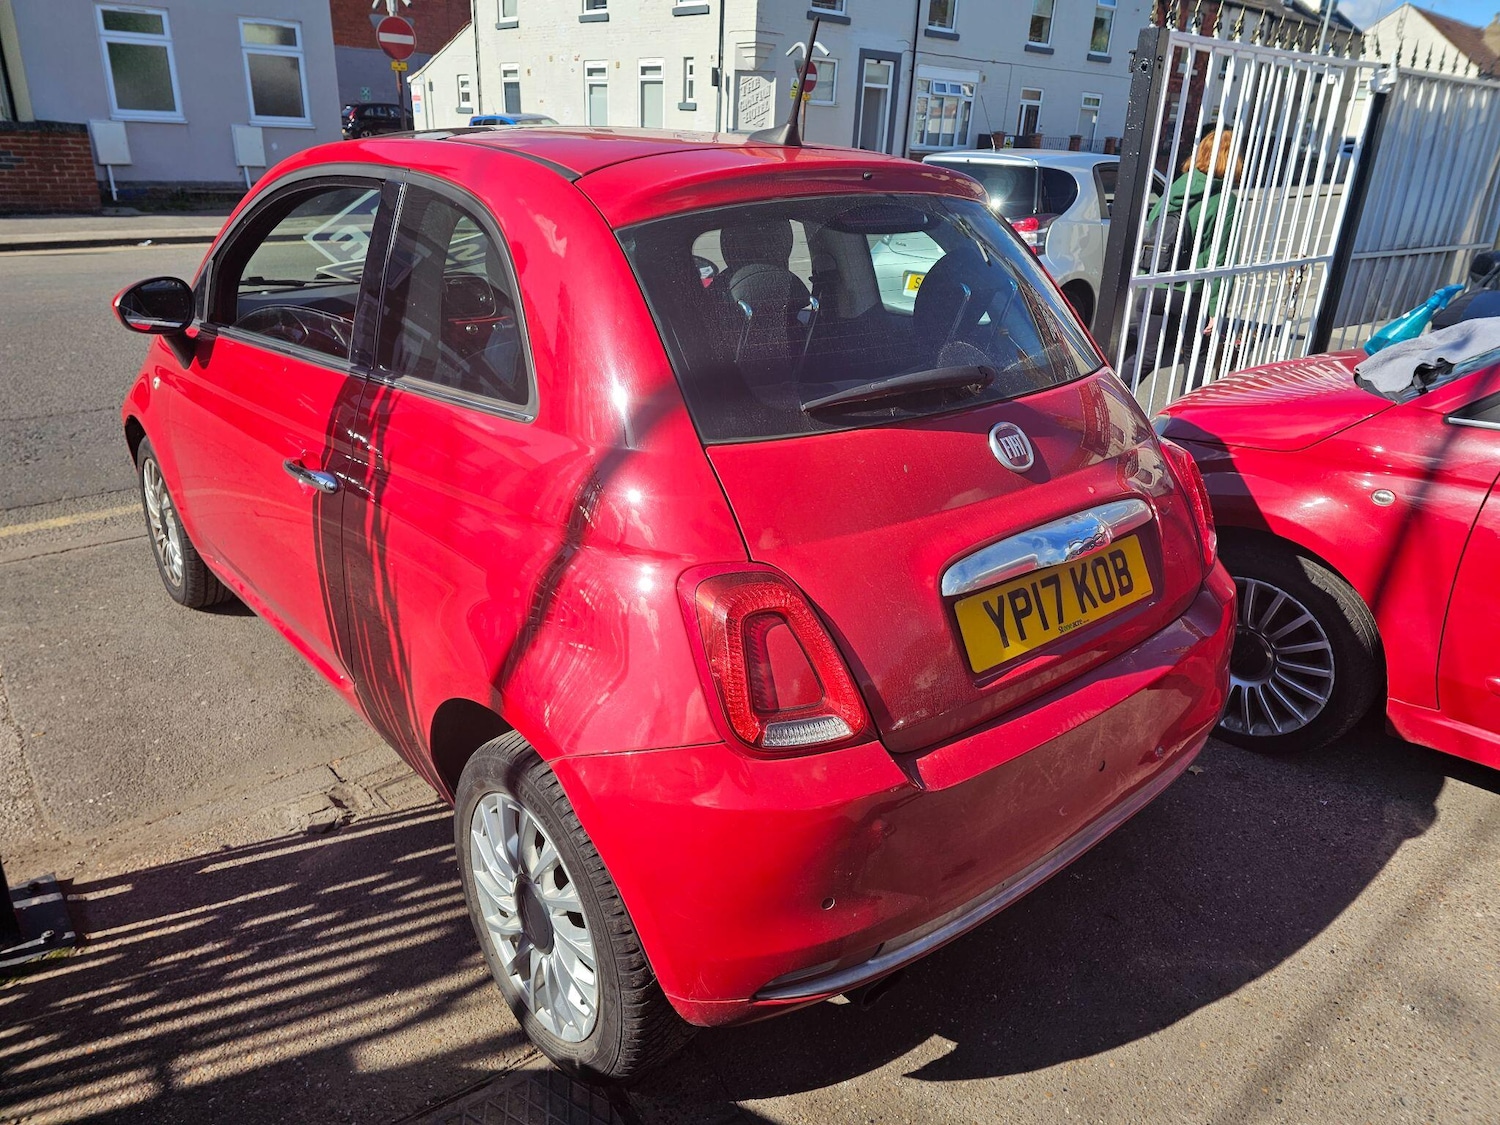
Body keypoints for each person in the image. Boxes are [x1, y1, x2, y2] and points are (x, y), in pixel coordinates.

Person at [1124, 127, 1243, 392]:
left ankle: (1110, 399)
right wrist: (1217, 307)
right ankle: (1182, 424)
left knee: (1146, 355)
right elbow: (1221, 256)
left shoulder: (1176, 188)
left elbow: (1152, 229)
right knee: (1196, 355)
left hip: (1156, 284)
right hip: (1191, 291)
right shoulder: (1225, 201)